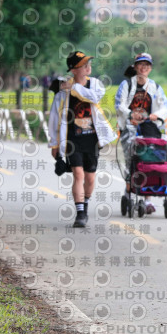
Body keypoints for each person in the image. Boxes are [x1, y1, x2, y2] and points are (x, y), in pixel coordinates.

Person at [48, 51, 117, 228]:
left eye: (88, 63)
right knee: (78, 174)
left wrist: (73, 87)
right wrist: (54, 143)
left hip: (92, 138)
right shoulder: (62, 94)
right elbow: (54, 119)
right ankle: (80, 213)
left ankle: (85, 204)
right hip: (72, 139)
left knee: (90, 178)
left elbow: (93, 98)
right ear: (73, 69)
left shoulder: (95, 84)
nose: (88, 67)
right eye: (83, 65)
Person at [115, 53, 167, 213]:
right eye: (140, 64)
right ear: (135, 66)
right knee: (131, 160)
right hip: (130, 129)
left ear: (150, 68)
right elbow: (120, 105)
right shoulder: (126, 85)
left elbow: (163, 106)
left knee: (150, 160)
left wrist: (156, 115)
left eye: (147, 65)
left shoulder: (155, 87)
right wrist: (131, 114)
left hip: (149, 128)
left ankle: (147, 199)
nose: (143, 67)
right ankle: (129, 189)